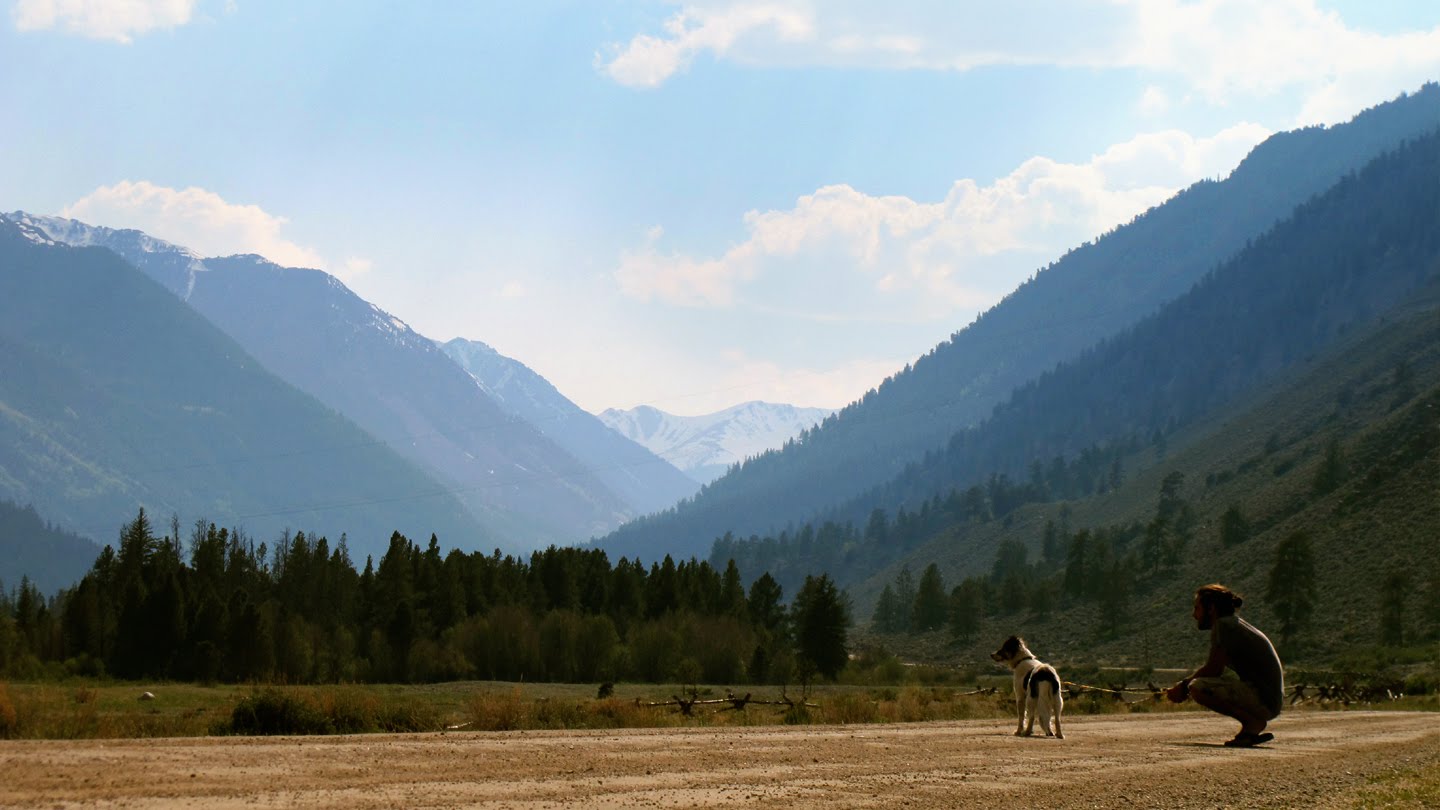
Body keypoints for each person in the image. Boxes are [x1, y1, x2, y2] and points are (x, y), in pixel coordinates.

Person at [1165, 583, 1283, 747]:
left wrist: (1183, 687)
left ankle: (1252, 723)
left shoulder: (1224, 625)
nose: (1194, 615)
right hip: (1269, 699)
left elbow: (1214, 669)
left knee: (1197, 687)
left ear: (1211, 608)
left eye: (1197, 608)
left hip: (1264, 701)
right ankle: (1252, 725)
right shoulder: (1233, 624)